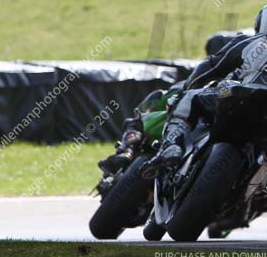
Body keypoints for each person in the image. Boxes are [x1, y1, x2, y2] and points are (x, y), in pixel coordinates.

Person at [144, 3, 267, 219]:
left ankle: (172, 145)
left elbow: (212, 66)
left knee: (190, 97)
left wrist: (189, 86)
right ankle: (258, 185)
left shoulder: (253, 41)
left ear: (260, 25)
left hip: (246, 98)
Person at [97, 32, 245, 175]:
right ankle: (127, 149)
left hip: (220, 119)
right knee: (160, 97)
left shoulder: (247, 69)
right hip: (198, 102)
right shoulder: (210, 72)